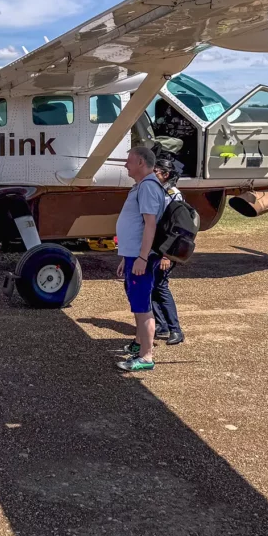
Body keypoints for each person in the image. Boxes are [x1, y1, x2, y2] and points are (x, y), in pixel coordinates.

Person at [115, 146, 166, 372]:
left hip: (140, 257)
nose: (126, 164)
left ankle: (146, 356)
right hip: (133, 255)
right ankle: (138, 345)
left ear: (141, 164)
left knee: (143, 306)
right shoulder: (142, 186)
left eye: (129, 161)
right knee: (137, 304)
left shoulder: (147, 187)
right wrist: (126, 257)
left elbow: (150, 224)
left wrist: (142, 258)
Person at [151, 156, 185, 345]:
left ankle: (175, 330)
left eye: (156, 171)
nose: (153, 174)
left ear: (165, 174)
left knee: (161, 287)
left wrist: (166, 255)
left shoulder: (173, 195)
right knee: (153, 287)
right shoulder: (160, 192)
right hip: (157, 246)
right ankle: (161, 325)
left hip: (167, 249)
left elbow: (175, 228)